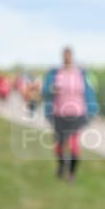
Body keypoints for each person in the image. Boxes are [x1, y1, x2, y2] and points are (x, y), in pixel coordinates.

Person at [42, 47, 99, 181]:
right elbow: (44, 92)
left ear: (72, 57)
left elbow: (90, 93)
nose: (67, 58)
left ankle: (72, 173)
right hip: (58, 113)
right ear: (62, 57)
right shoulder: (54, 74)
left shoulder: (82, 74)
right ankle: (61, 166)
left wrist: (94, 110)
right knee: (59, 143)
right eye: (65, 56)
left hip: (77, 113)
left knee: (73, 143)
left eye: (69, 55)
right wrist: (52, 89)